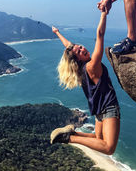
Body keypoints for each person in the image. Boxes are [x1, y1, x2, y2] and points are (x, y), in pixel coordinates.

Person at [50, 9, 120, 155]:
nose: (82, 49)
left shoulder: (79, 69)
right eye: (79, 52)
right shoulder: (92, 65)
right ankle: (70, 138)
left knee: (97, 138)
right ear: (78, 59)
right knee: (108, 148)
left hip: (99, 111)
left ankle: (69, 133)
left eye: (80, 47)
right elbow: (100, 34)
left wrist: (57, 33)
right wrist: (103, 14)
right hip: (109, 107)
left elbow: (68, 46)